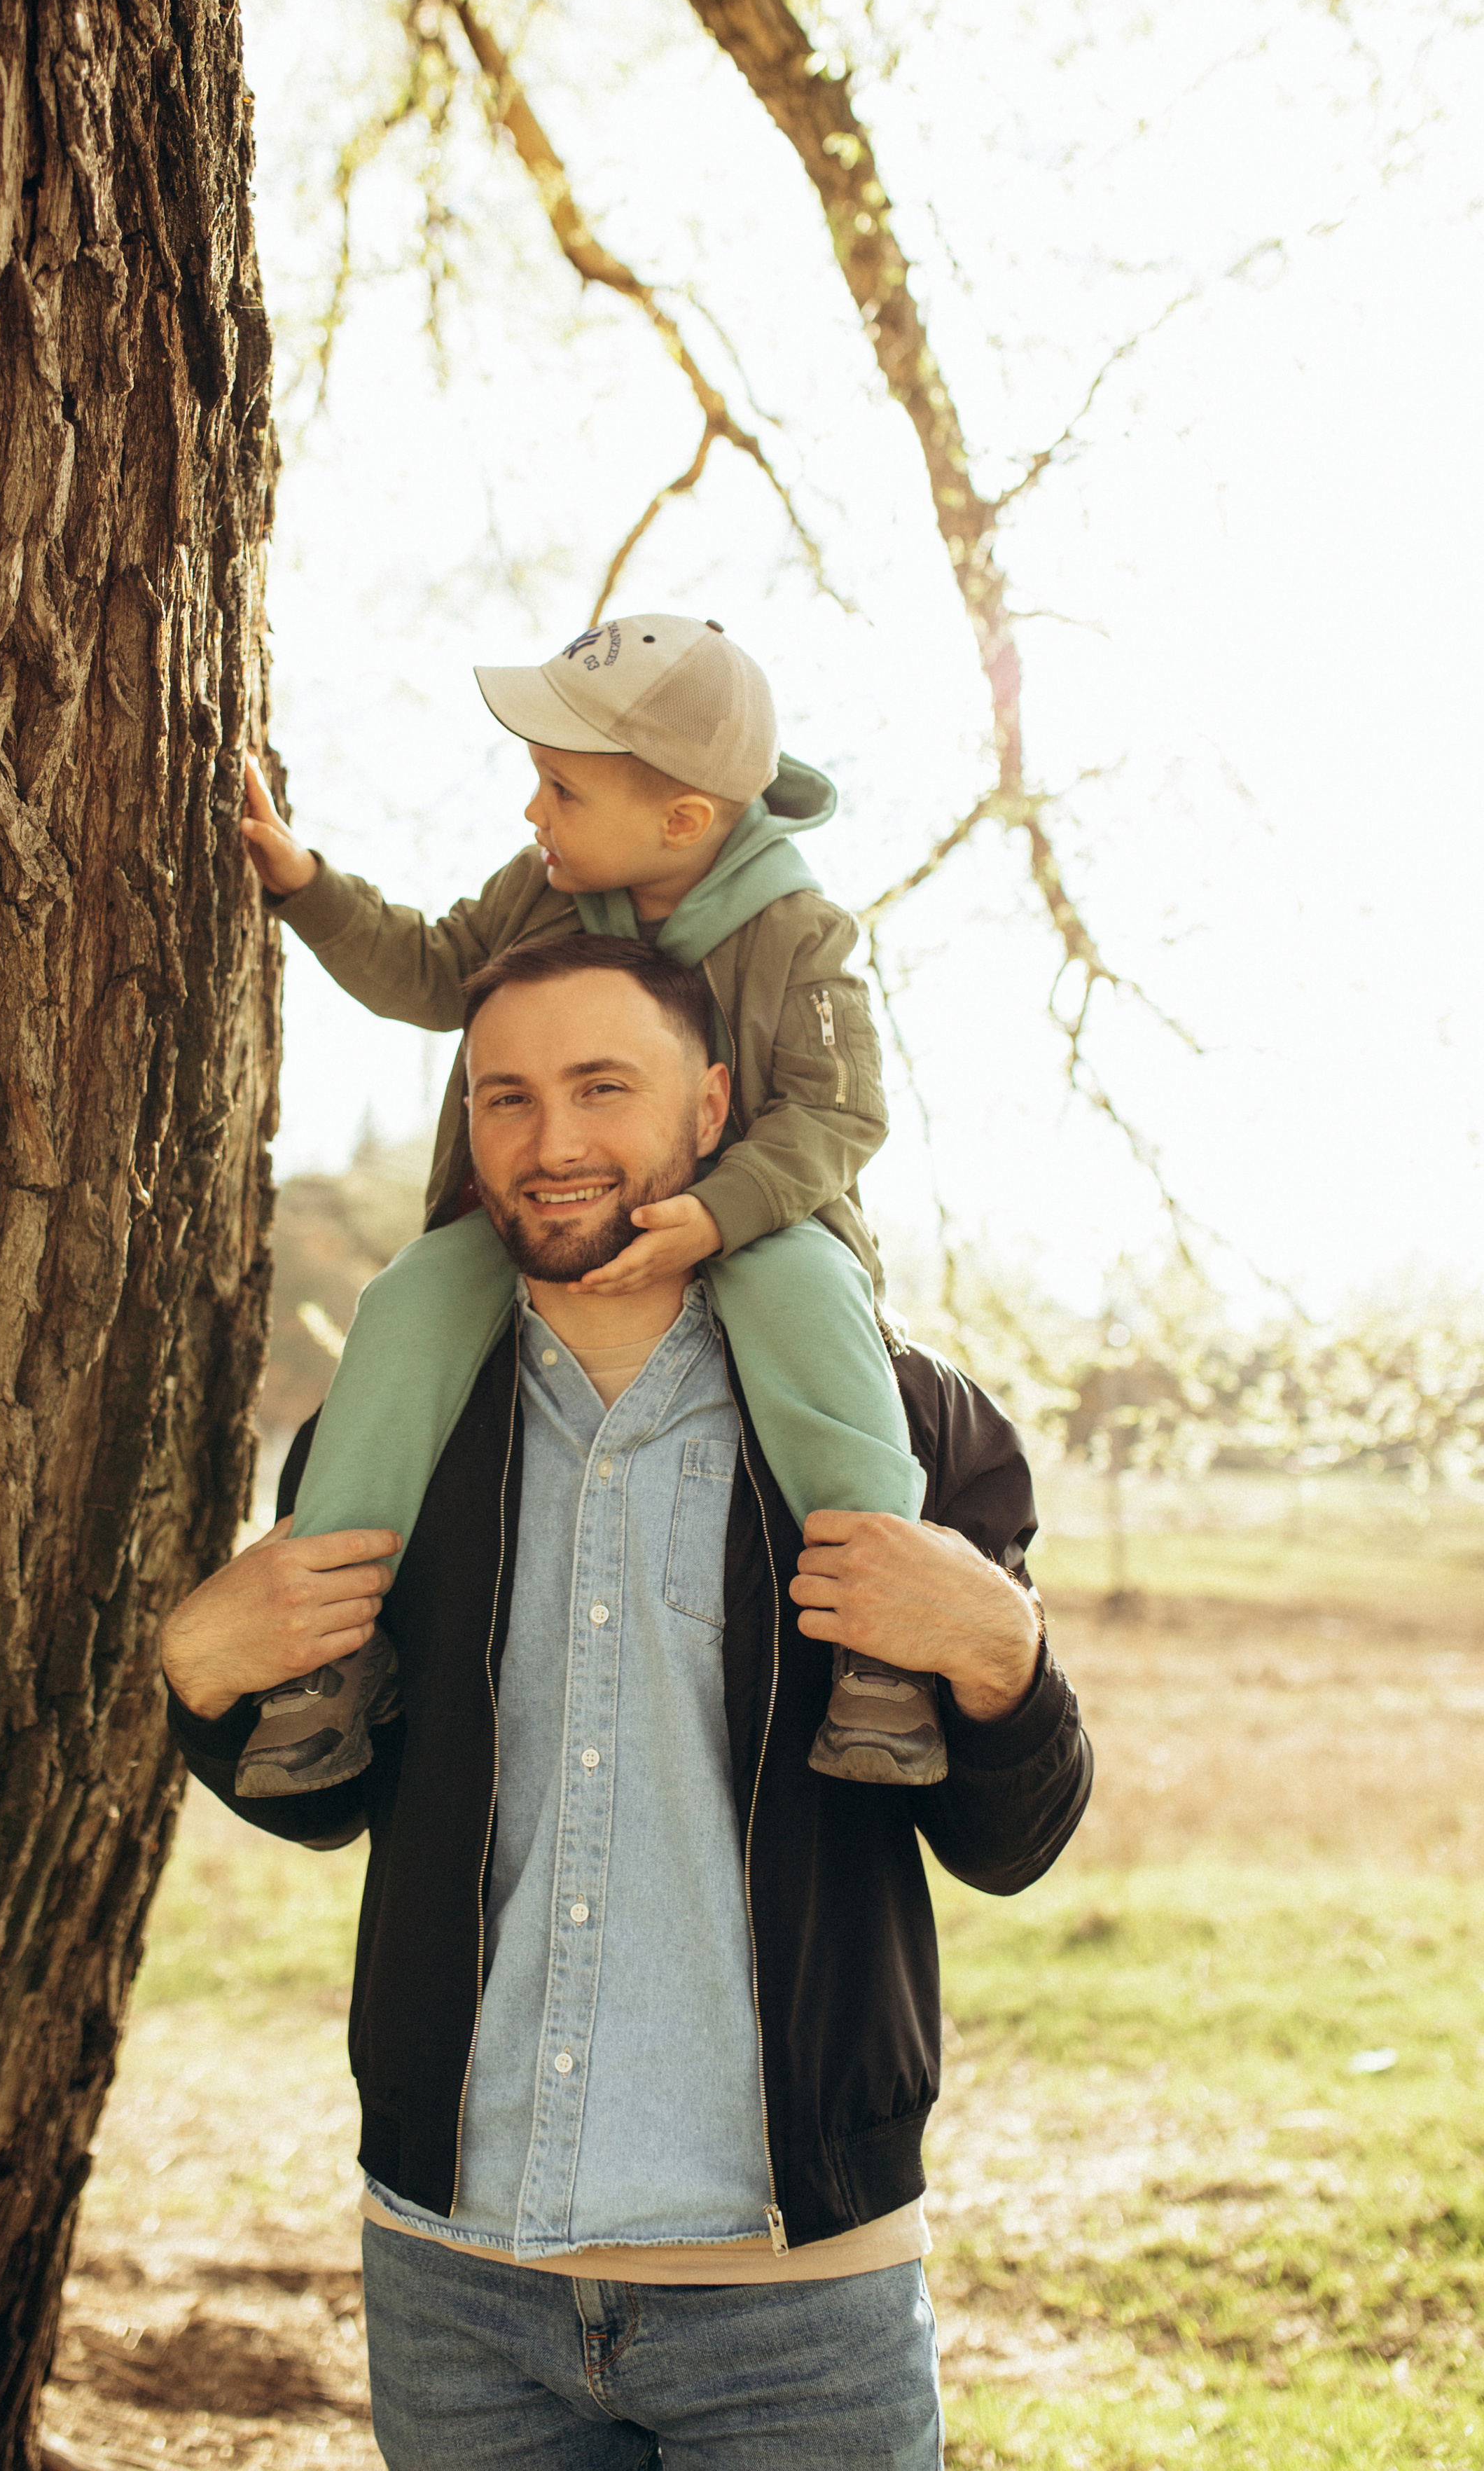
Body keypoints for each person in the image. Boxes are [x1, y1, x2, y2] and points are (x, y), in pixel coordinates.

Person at [162, 939, 1093, 2469]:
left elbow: (1009, 1843)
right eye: (505, 1097)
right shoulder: (385, 1433)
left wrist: (1000, 1657)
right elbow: (328, 1798)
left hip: (796, 2299)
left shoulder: (910, 1424)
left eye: (604, 1086)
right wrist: (204, 1681)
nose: (553, 1141)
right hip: (457, 2282)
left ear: (713, 1103)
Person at [236, 612, 944, 1799]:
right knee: (412, 1299)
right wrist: (306, 888)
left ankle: (883, 1646)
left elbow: (842, 1113)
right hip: (539, 1214)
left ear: (681, 822)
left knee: (807, 1297)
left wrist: (725, 1212)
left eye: (560, 792)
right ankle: (326, 1643)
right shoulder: (539, 892)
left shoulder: (798, 933)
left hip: (751, 1218)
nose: (533, 816)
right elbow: (427, 969)